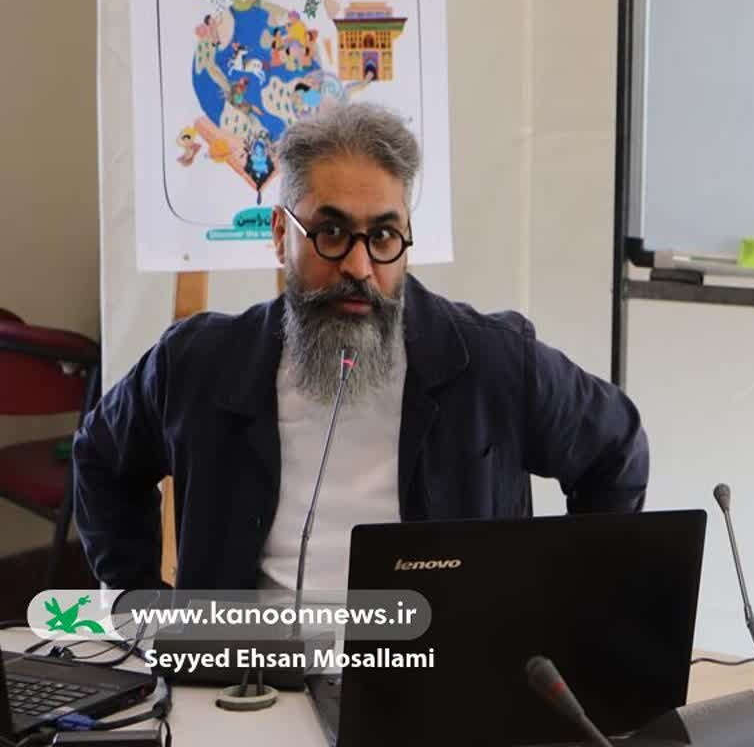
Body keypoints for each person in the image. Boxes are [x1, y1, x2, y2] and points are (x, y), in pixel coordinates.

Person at [73, 103, 649, 592]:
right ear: (281, 234)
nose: (358, 265)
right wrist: (144, 606)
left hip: (434, 674)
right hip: (247, 675)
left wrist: (561, 612)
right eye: (330, 232)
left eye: (383, 236)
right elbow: (102, 459)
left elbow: (615, 450)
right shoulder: (198, 363)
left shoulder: (492, 362)